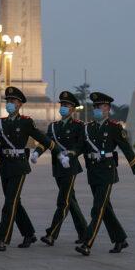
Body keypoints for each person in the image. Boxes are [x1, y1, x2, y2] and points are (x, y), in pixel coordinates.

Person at [75, 92, 135, 256]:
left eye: (99, 107)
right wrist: (70, 155)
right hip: (93, 172)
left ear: (107, 108)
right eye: (95, 107)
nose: (96, 110)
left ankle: (87, 243)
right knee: (105, 209)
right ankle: (120, 239)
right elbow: (80, 147)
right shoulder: (88, 128)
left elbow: (127, 150)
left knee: (97, 209)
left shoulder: (115, 128)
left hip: (107, 172)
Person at [0, 86, 53, 252]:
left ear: (19, 104)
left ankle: (2, 239)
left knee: (9, 203)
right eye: (8, 101)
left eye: (13, 101)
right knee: (15, 202)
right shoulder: (0, 123)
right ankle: (29, 233)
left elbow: (41, 138)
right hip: (6, 166)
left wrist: (57, 151)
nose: (10, 103)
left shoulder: (25, 122)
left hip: (19, 166)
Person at [30, 91, 88, 246]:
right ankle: (85, 233)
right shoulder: (53, 126)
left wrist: (71, 155)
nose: (64, 107)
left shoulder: (78, 126)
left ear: (73, 109)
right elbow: (47, 143)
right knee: (71, 200)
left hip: (70, 167)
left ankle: (52, 234)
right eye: (62, 105)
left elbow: (80, 145)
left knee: (63, 201)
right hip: (57, 167)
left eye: (67, 105)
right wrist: (36, 152)